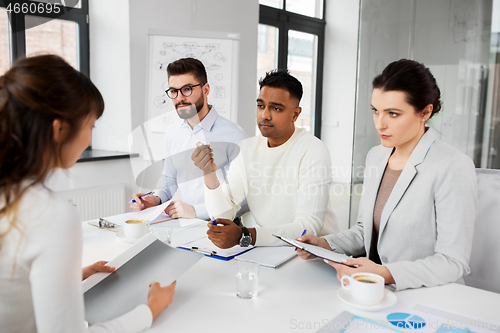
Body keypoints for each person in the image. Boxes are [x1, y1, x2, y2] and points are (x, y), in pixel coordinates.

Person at [0, 55, 176, 333]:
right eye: (90, 126)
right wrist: (150, 309)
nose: (90, 138)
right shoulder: (49, 214)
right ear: (59, 129)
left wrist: (70, 278)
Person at [296, 59, 477, 291]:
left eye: (393, 114)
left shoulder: (453, 166)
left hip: (423, 295)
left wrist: (386, 273)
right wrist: (324, 244)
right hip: (370, 289)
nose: (380, 124)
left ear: (425, 111)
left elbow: (453, 262)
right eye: (375, 111)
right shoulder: (377, 156)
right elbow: (364, 231)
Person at [192, 70, 332, 248]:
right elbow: (223, 215)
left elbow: (309, 228)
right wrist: (209, 173)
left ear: (295, 114)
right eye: (260, 106)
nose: (265, 115)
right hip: (269, 250)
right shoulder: (246, 149)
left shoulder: (313, 150)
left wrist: (247, 235)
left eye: (276, 108)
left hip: (312, 253)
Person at [130, 57, 247, 220]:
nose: (179, 98)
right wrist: (155, 199)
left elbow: (245, 199)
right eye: (173, 91)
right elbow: (169, 179)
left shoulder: (234, 135)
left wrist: (196, 211)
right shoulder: (173, 133)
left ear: (205, 90)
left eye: (186, 89)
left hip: (223, 229)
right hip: (184, 226)